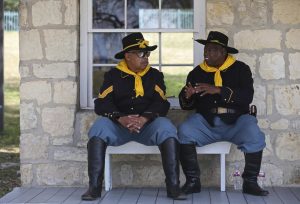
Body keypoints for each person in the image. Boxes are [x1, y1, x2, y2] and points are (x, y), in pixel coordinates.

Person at [82, 32, 186, 201]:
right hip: (119, 125)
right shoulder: (113, 75)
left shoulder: (154, 75)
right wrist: (120, 118)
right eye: (141, 54)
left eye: (147, 53)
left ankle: (173, 186)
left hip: (147, 125)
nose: (146, 58)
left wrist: (144, 118)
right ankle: (94, 187)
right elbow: (102, 103)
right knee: (98, 128)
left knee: (167, 128)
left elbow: (162, 103)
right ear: (128, 56)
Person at [178, 31, 269, 196]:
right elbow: (187, 105)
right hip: (207, 122)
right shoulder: (196, 73)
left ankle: (250, 182)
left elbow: (246, 97)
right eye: (206, 49)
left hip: (236, 121)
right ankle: (193, 181)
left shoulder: (241, 69)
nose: (207, 52)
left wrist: (219, 90)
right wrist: (187, 96)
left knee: (254, 133)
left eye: (212, 49)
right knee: (185, 130)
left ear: (223, 52)